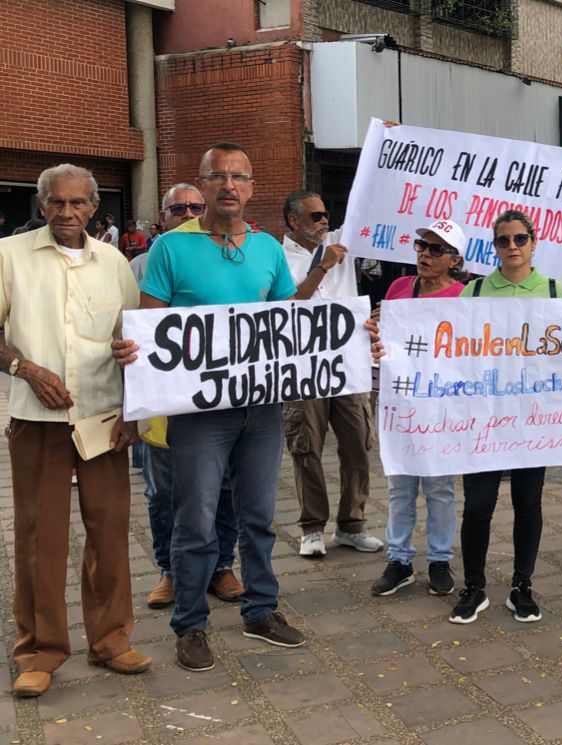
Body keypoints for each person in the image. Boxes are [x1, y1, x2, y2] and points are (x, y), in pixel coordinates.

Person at [113, 143, 304, 672]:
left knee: (260, 516)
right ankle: (191, 625)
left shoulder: (267, 249)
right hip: (197, 413)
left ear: (251, 186)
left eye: (237, 177)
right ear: (201, 184)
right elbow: (149, 329)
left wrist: (352, 336)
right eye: (216, 176)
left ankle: (260, 610)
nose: (227, 186)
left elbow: (286, 323)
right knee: (194, 520)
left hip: (260, 408)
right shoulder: (172, 249)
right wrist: (131, 377)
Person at [0, 164, 150, 697]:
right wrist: (26, 369)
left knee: (109, 529)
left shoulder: (114, 262)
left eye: (77, 203)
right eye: (55, 203)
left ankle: (110, 639)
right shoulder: (9, 255)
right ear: (40, 205)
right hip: (37, 418)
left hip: (104, 417)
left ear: (94, 207)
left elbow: (134, 341)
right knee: (40, 535)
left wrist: (136, 408)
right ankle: (40, 652)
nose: (66, 213)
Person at [447, 210, 562, 625]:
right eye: (504, 240)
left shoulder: (554, 290)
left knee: (527, 504)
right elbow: (443, 346)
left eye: (520, 239)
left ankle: (522, 586)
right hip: (483, 420)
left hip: (532, 420)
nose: (513, 247)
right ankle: (474, 586)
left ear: (534, 243)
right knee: (477, 505)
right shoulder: (475, 292)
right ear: (494, 246)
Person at [130, 183, 243, 610]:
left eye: (196, 206)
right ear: (162, 216)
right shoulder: (142, 264)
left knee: (225, 489)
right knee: (164, 493)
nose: (188, 212)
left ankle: (221, 566)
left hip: (223, 399)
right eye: (178, 207)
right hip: (163, 405)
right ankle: (170, 571)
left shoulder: (232, 253)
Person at [280, 190, 383, 558]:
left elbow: (371, 197)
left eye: (327, 214)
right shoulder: (277, 258)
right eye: (316, 216)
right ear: (294, 221)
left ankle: (352, 524)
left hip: (348, 361)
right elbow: (288, 305)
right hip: (303, 365)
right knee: (306, 444)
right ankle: (312, 527)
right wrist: (322, 266)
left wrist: (383, 143)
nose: (325, 221)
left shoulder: (340, 240)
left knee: (358, 440)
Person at [372, 219, 468, 597]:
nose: (425, 255)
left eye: (436, 249)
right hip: (399, 401)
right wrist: (375, 330)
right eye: (421, 246)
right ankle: (399, 558)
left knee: (440, 486)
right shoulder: (399, 288)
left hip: (441, 404)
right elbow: (382, 338)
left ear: (455, 259)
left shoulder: (465, 297)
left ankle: (440, 559)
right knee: (399, 484)